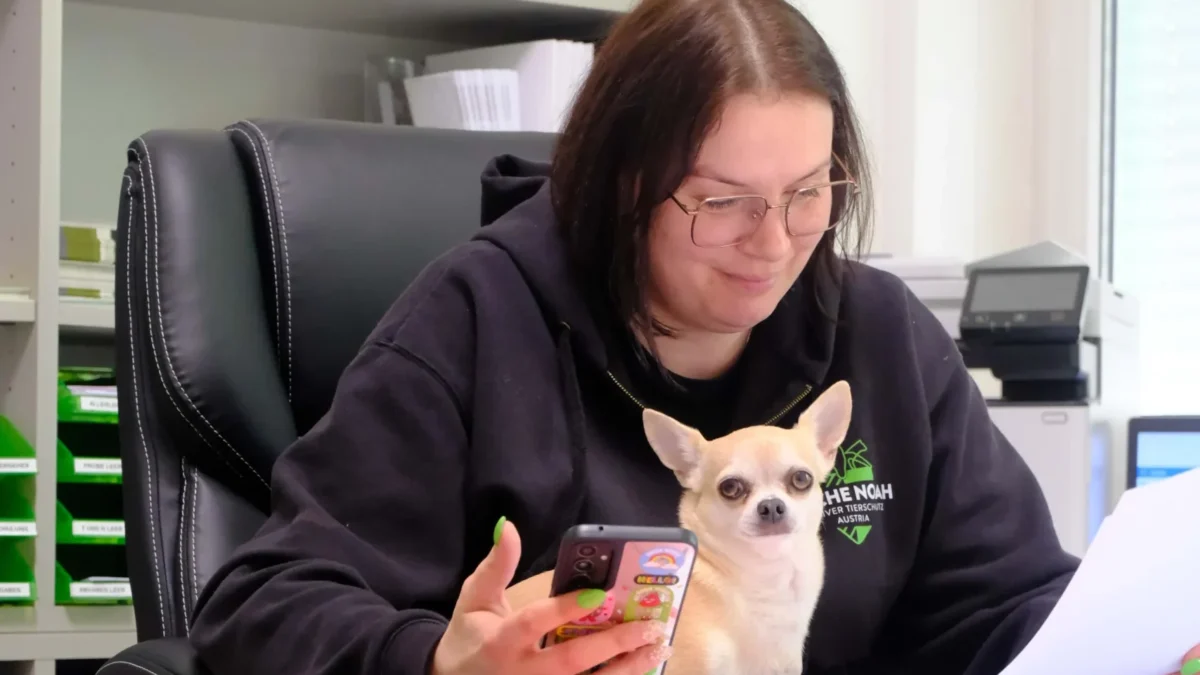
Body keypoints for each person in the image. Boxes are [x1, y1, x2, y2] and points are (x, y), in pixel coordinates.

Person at [188, 1, 1200, 674]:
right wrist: (437, 661)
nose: (775, 243)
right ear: (620, 185)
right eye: (723, 203)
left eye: (809, 193)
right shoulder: (472, 323)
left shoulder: (883, 338)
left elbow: (1005, 607)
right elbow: (264, 606)